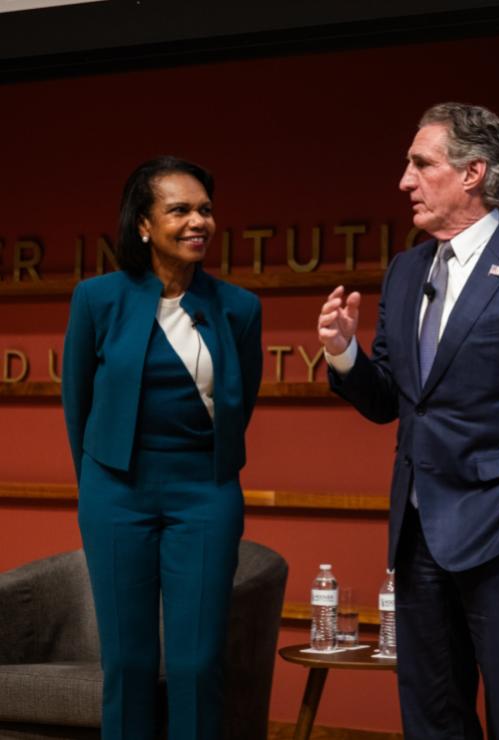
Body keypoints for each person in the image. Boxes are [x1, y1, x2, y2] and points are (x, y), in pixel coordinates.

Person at [317, 103, 499, 739]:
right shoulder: (406, 269)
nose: (404, 180)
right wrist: (343, 352)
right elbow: (387, 399)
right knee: (432, 718)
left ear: (473, 172)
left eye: (421, 164)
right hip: (418, 532)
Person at [62, 156, 262, 740]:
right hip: (115, 491)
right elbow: (78, 404)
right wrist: (97, 486)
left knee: (197, 664)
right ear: (143, 225)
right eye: (179, 210)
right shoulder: (96, 299)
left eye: (205, 209)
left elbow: (238, 403)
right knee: (127, 662)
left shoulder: (240, 308)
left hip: (204, 491)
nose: (198, 220)